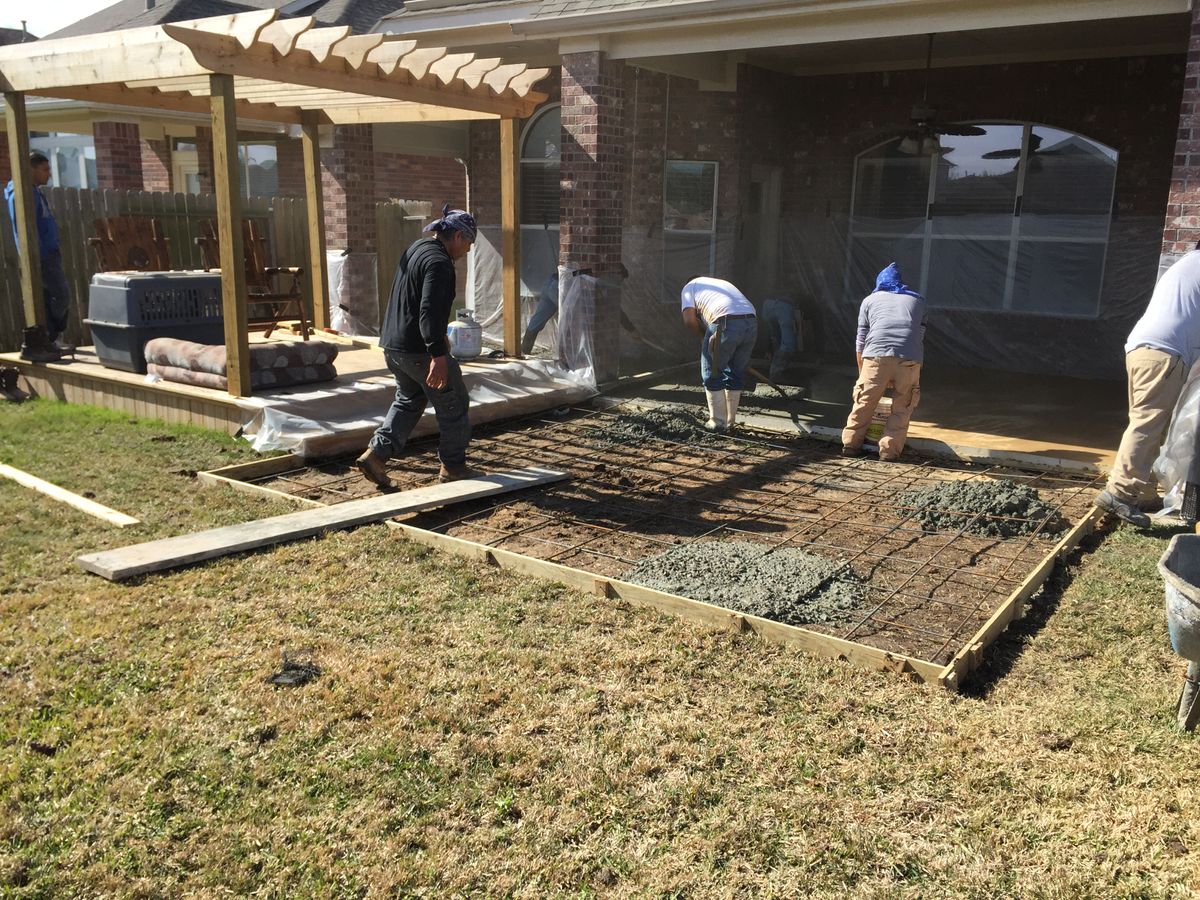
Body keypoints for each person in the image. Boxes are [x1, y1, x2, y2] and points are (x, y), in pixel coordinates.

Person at [356, 205, 480, 489]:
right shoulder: (440, 264)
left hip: (393, 345)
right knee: (454, 402)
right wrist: (438, 353)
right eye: (469, 243)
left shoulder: (418, 248)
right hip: (418, 350)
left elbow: (414, 300)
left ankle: (376, 455)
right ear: (458, 236)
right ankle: (453, 466)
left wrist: (438, 338)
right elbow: (428, 310)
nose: (468, 251)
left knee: (410, 398)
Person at [1095, 250, 1200, 528]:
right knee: (1148, 425)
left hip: (1143, 349)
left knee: (1152, 425)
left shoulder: (1187, 266)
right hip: (1166, 355)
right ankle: (1119, 494)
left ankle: (1144, 492)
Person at [841, 262, 926, 462]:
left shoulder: (870, 300)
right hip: (910, 358)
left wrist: (863, 371)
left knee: (865, 401)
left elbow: (860, 339)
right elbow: (918, 336)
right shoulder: (918, 301)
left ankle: (851, 446)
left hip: (876, 355)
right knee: (902, 406)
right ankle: (889, 452)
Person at [5, 151, 73, 360]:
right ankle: (50, 338)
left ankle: (51, 340)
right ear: (30, 169)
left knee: (49, 299)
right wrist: (39, 255)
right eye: (44, 170)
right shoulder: (21, 194)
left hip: (49, 252)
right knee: (61, 296)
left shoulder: (34, 191)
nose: (49, 175)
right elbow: (22, 229)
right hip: (41, 256)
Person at [680, 276, 758, 432]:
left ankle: (717, 423)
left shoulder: (689, 287)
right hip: (751, 322)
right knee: (735, 373)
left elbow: (689, 321)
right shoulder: (719, 284)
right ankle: (730, 422)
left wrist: (704, 337)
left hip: (725, 321)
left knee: (712, 372)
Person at [761, 294, 803, 383]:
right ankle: (776, 374)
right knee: (788, 343)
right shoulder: (792, 306)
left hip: (768, 305)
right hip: (784, 307)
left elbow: (770, 331)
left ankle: (776, 370)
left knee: (777, 338)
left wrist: (768, 349)